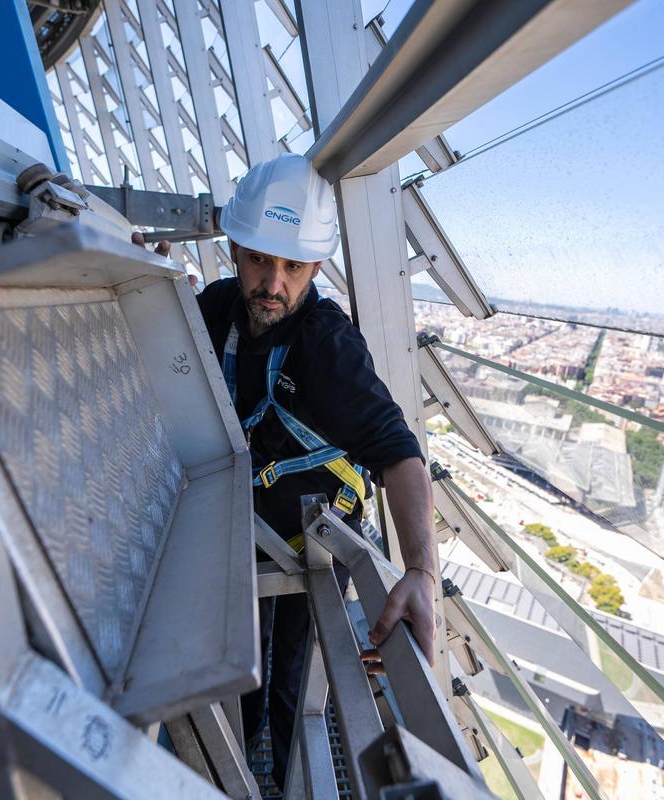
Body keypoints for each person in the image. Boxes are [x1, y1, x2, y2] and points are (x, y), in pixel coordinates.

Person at [148, 153, 438, 787]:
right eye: (258, 259)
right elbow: (161, 337)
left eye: (292, 267)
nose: (272, 284)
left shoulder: (326, 345)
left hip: (310, 546)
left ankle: (274, 778)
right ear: (235, 248)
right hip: (242, 531)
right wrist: (147, 275)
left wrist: (420, 570)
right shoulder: (221, 306)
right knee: (243, 671)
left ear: (315, 268)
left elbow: (398, 451)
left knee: (286, 682)